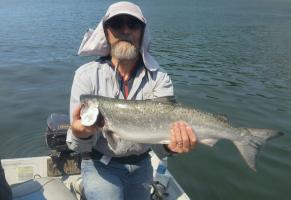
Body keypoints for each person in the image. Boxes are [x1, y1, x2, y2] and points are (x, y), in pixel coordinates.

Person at [66, 1, 197, 200]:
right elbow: (78, 147)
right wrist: (80, 133)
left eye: (133, 25)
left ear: (142, 32)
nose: (125, 30)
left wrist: (173, 146)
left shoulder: (160, 78)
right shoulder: (86, 76)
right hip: (99, 163)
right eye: (117, 24)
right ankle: (84, 186)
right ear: (106, 32)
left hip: (142, 163)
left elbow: (160, 143)